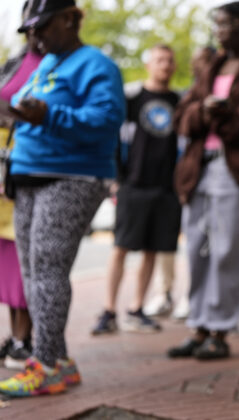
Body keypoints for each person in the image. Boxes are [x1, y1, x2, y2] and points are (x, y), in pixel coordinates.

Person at [0, 0, 125, 396]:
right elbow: (33, 115)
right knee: (34, 272)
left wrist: (48, 116)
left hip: (72, 177)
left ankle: (46, 365)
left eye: (41, 26)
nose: (34, 36)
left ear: (70, 19)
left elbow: (107, 120)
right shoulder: (49, 64)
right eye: (29, 31)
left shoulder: (94, 64)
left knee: (49, 269)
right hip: (29, 176)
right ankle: (61, 359)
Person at [168, 1, 239, 360]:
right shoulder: (209, 67)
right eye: (216, 24)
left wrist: (223, 113)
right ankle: (198, 326)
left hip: (236, 170)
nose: (218, 31)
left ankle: (221, 330)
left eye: (225, 24)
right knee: (196, 245)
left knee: (228, 249)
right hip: (198, 167)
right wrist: (203, 110)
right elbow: (182, 116)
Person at [91, 44, 181, 335]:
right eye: (159, 59)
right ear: (149, 65)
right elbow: (112, 136)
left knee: (153, 249)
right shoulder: (131, 98)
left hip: (166, 188)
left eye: (169, 60)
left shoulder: (179, 103)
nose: (164, 65)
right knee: (121, 247)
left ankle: (137, 308)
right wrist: (116, 178)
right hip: (133, 184)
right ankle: (108, 310)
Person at [143, 47, 217, 321]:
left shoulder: (195, 96)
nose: (201, 67)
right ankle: (165, 292)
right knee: (173, 240)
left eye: (206, 62)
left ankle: (195, 295)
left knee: (204, 241)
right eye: (197, 62)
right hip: (180, 179)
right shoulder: (186, 98)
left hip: (205, 175)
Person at [0, 1, 44, 370]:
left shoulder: (57, 66)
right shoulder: (14, 62)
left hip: (26, 170)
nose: (35, 34)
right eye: (29, 26)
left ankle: (24, 340)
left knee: (24, 257)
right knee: (6, 257)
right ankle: (14, 337)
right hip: (2, 167)